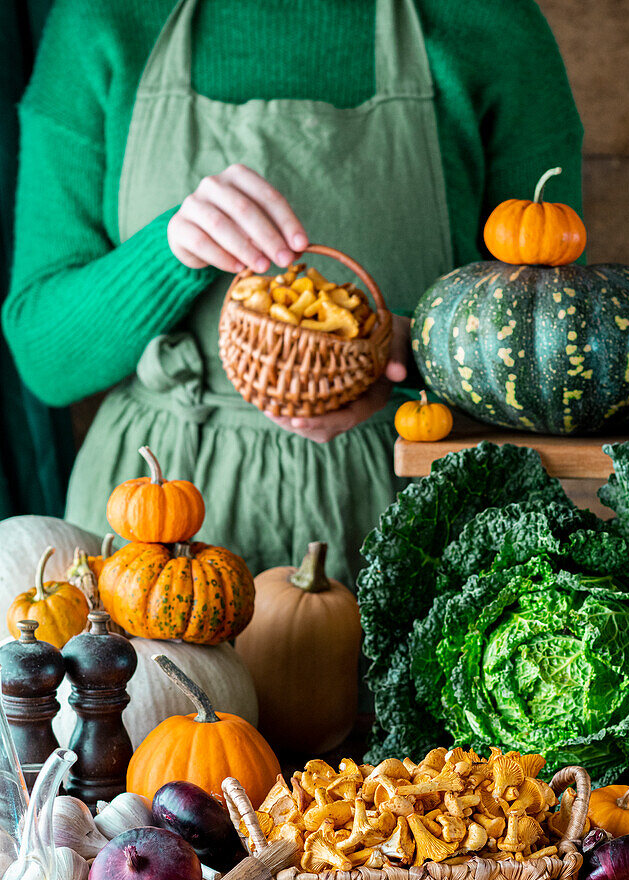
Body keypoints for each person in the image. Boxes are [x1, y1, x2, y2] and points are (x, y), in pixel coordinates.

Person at [2, 0, 583, 587]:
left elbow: (556, 349)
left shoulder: (492, 22)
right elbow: (46, 358)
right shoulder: (101, 19)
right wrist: (167, 253)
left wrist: (411, 355)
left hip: (417, 516)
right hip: (153, 534)